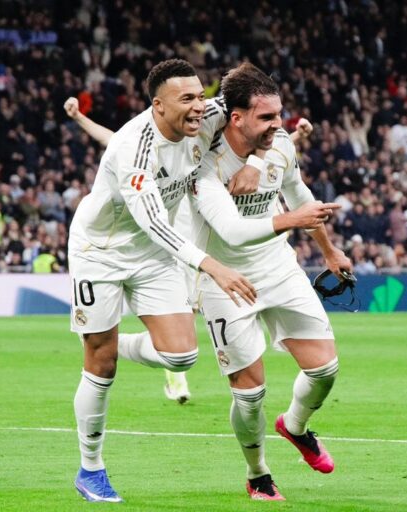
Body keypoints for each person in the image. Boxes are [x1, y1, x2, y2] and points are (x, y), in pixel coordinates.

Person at [67, 59, 333, 503]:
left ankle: (122, 343)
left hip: (155, 255)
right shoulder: (135, 150)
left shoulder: (209, 116)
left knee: (183, 357)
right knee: (101, 362)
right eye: (186, 98)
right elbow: (153, 221)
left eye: (200, 96)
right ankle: (90, 468)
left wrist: (259, 158)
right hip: (101, 253)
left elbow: (260, 126)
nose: (198, 106)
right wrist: (211, 265)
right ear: (158, 105)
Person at [64, 97, 315, 406]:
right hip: (177, 244)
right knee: (186, 320)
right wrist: (79, 119)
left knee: (183, 336)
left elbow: (257, 136)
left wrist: (290, 140)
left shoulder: (207, 148)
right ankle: (169, 371)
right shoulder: (143, 150)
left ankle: (162, 362)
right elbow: (114, 141)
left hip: (190, 245)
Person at [188, 63, 352, 501]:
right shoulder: (204, 164)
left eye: (279, 114)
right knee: (250, 394)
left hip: (278, 266)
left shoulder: (279, 146)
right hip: (225, 279)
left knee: (325, 369)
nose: (278, 125)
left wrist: (329, 250)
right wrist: (292, 220)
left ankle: (295, 426)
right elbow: (234, 232)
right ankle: (258, 473)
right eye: (267, 117)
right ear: (235, 118)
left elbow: (299, 194)